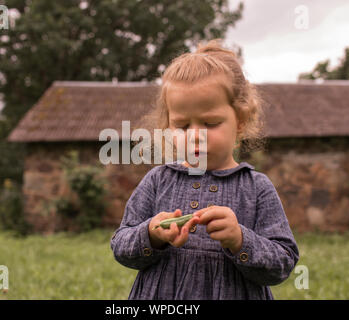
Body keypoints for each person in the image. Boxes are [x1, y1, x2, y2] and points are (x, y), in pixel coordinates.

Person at [110, 38, 299, 299]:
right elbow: (121, 246)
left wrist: (240, 239)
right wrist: (152, 234)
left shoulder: (256, 187)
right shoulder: (158, 180)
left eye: (210, 123)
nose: (195, 135)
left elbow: (283, 262)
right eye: (183, 126)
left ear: (240, 121)